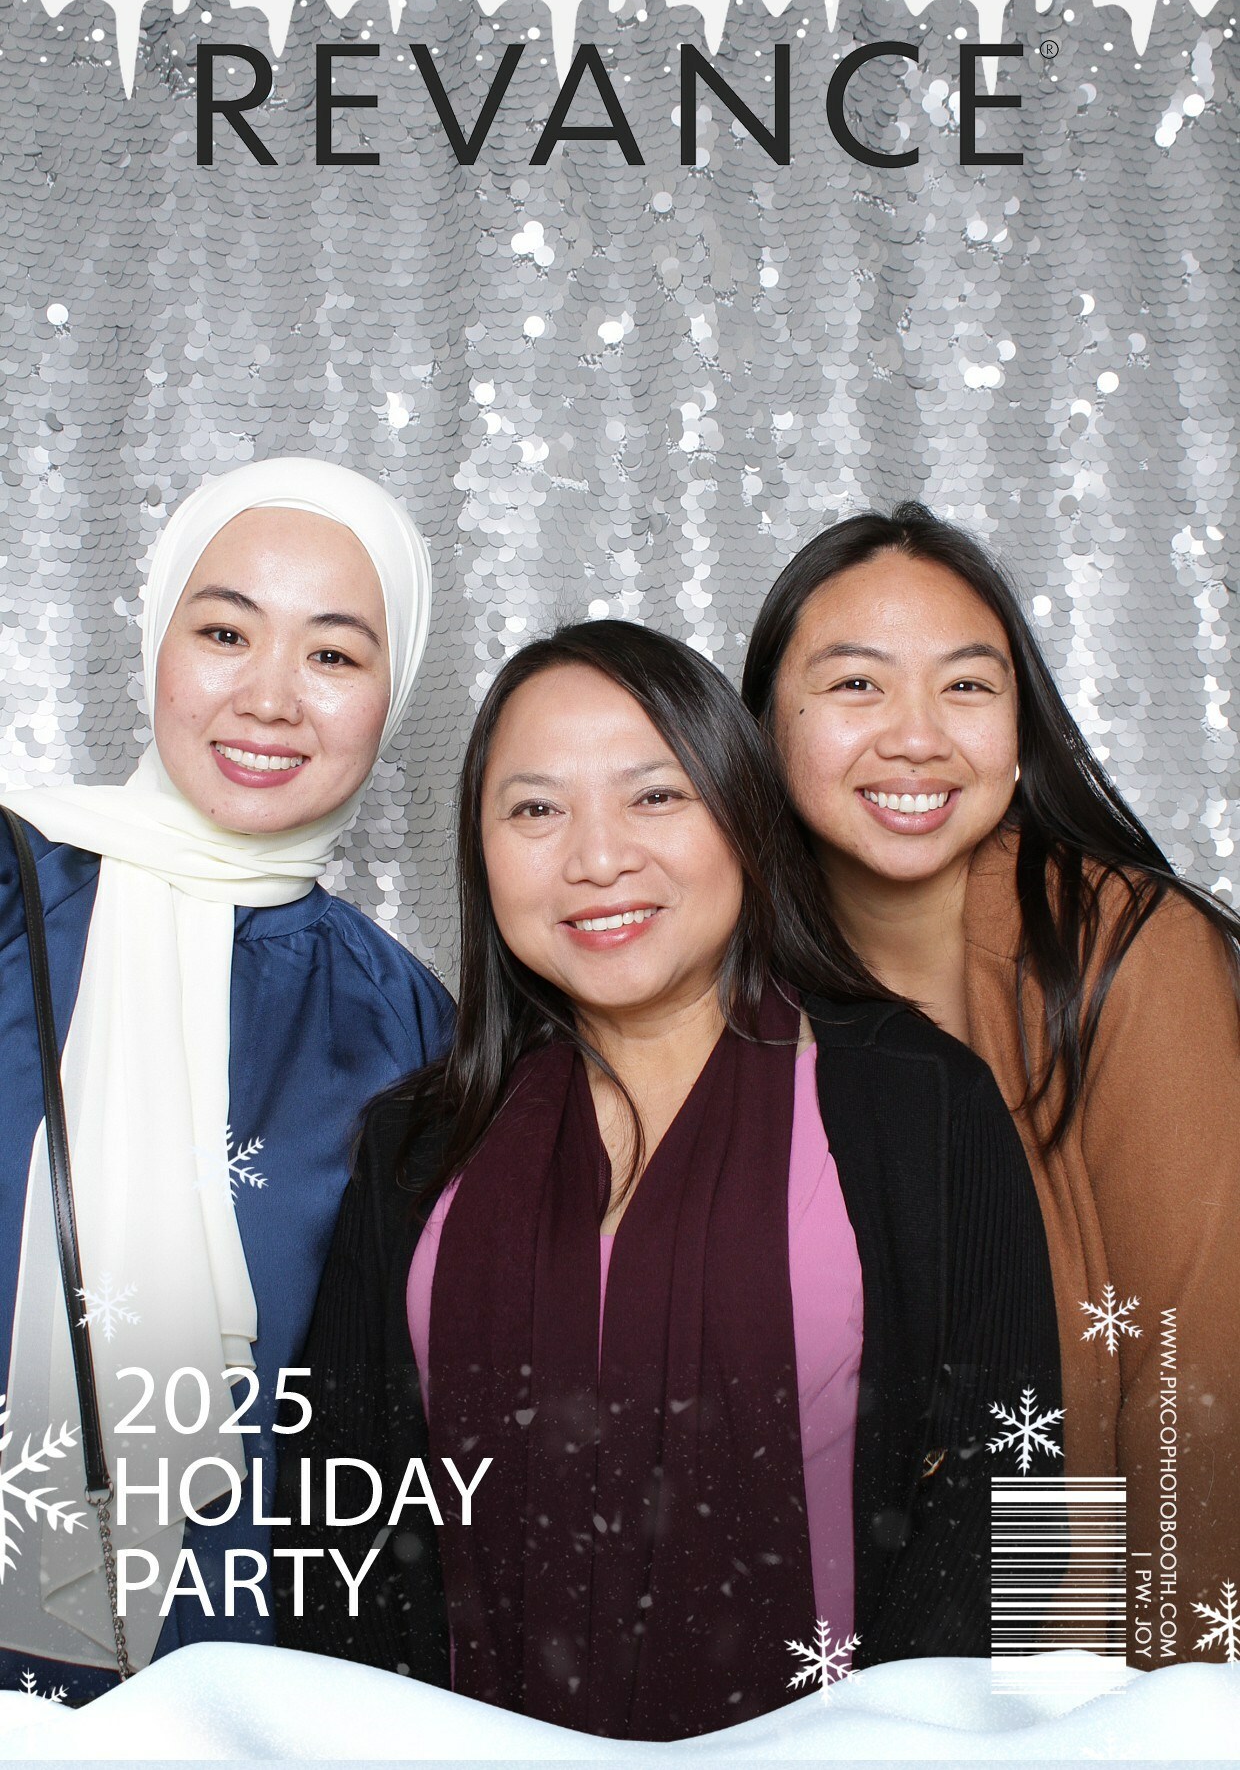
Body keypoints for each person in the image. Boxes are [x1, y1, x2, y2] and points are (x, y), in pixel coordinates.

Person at [277, 619, 1059, 1740]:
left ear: (742, 813)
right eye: (535, 809)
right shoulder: (414, 1143)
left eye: (654, 796)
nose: (597, 858)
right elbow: (334, 1521)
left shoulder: (919, 1098)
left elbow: (1021, 1496)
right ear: (480, 852)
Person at [742, 501, 1240, 1666]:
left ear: (1019, 726)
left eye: (965, 685)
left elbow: (1193, 1377)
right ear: (763, 723)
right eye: (856, 684)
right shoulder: (724, 974)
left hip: (1063, 1660)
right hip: (804, 1660)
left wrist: (1168, 1702)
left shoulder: (1122, 953)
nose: (916, 737)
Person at [0, 458, 454, 1700]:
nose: (268, 697)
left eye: (333, 653)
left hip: (242, 1690)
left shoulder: (407, 1022)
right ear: (157, 639)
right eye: (223, 631)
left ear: (391, 693)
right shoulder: (15, 896)